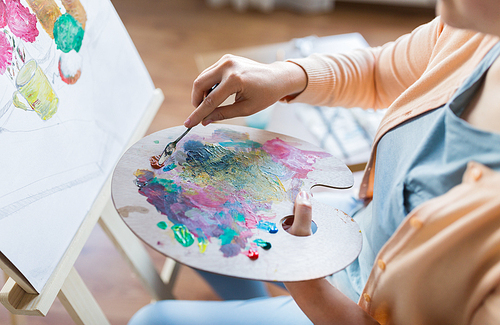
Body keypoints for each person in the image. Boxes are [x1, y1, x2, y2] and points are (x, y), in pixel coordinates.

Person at [129, 0, 500, 323]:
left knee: (151, 320)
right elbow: (378, 71)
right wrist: (282, 76)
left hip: (358, 308)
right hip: (358, 228)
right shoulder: (475, 32)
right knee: (193, 210)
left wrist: (301, 278)